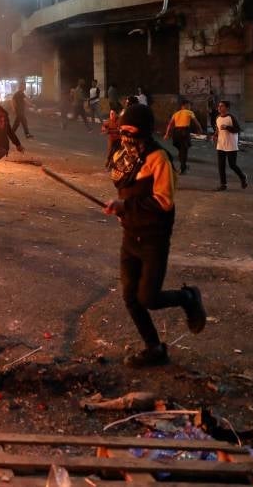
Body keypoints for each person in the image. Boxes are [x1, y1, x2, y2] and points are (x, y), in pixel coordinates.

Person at [103, 104, 206, 368]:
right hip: (130, 235)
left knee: (148, 298)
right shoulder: (125, 153)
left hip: (153, 239)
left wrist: (125, 206)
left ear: (145, 131)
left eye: (130, 129)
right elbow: (115, 170)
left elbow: (163, 202)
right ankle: (154, 348)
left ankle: (188, 298)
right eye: (122, 129)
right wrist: (112, 136)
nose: (125, 134)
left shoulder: (158, 158)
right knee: (130, 297)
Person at [213, 100, 248, 191]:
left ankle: (243, 177)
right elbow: (217, 129)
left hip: (231, 145)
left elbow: (237, 130)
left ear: (227, 108)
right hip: (221, 145)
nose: (219, 108)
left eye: (222, 106)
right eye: (219, 106)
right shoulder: (217, 118)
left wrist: (227, 127)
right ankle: (223, 184)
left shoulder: (231, 117)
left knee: (232, 165)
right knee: (221, 165)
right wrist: (215, 135)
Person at [164, 99, 202, 175]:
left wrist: (167, 134)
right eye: (189, 105)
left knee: (181, 150)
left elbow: (170, 125)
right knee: (184, 150)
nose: (190, 107)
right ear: (185, 105)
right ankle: (183, 168)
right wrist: (200, 130)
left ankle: (183, 166)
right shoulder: (189, 112)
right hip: (184, 132)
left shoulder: (176, 113)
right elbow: (196, 122)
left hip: (176, 133)